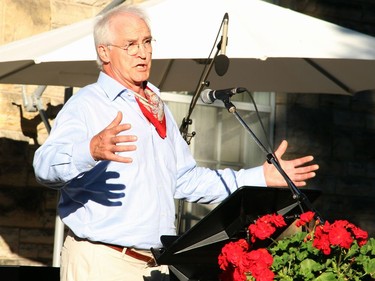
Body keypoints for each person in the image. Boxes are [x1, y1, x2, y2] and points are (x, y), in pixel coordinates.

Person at [33, 4, 319, 281]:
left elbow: (185, 179)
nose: (143, 53)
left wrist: (261, 177)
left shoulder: (156, 105)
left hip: (157, 264)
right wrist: (89, 150)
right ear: (104, 52)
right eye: (130, 45)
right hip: (102, 262)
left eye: (147, 42)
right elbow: (43, 166)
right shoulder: (87, 103)